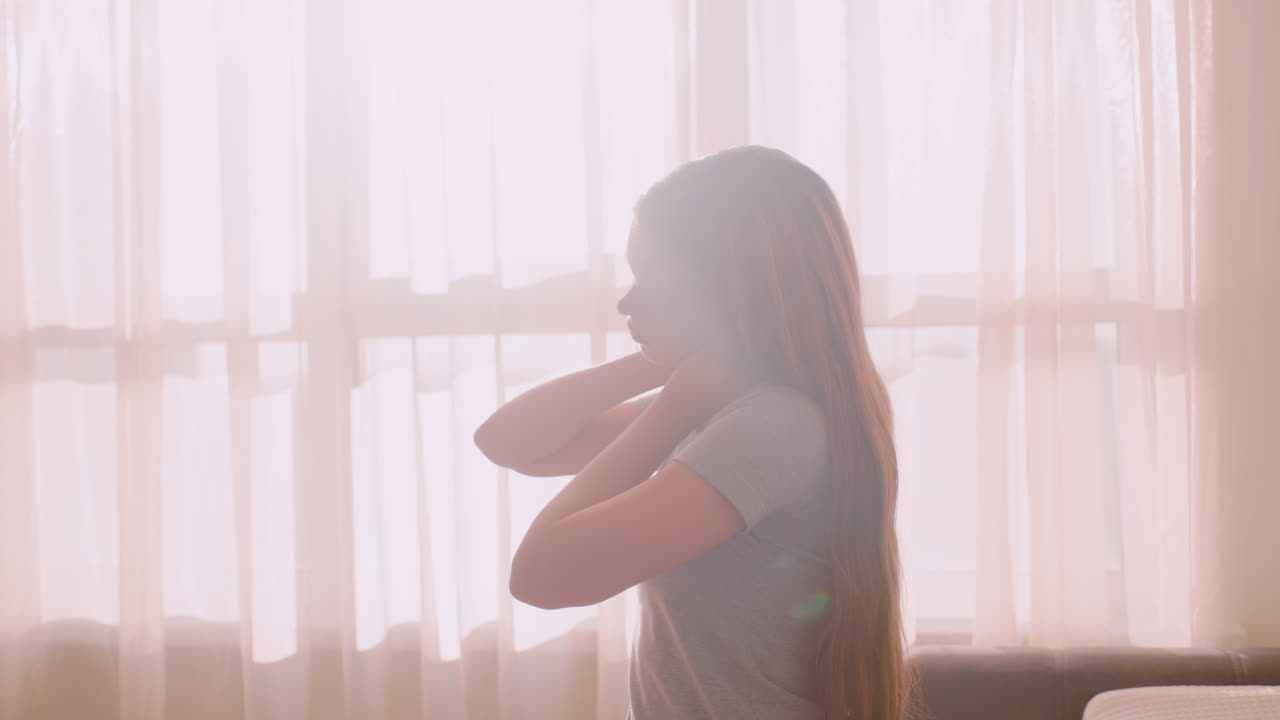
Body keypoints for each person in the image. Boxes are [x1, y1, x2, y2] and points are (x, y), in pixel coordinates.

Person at [474, 146, 915, 719]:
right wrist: (663, 360)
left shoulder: (770, 426)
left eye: (653, 284)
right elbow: (508, 441)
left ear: (728, 293)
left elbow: (541, 577)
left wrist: (672, 404)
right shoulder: (731, 407)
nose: (625, 302)